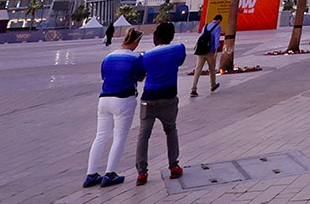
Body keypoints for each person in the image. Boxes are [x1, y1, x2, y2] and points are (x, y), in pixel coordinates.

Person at [83, 28, 144, 188]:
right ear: (136, 42)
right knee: (119, 137)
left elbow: (104, 76)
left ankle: (91, 174)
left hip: (104, 99)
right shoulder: (136, 57)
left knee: (100, 136)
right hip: (124, 99)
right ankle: (110, 174)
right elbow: (140, 76)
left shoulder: (108, 57)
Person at [134, 21, 186, 187]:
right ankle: (174, 166)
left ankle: (142, 172)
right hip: (169, 97)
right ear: (171, 36)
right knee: (171, 130)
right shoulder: (179, 49)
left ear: (156, 37)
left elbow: (140, 76)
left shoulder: (145, 56)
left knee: (144, 134)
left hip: (148, 98)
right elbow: (180, 62)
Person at [190, 14, 221, 96]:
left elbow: (201, 37)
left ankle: (193, 89)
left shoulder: (206, 26)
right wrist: (216, 50)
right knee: (212, 68)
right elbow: (217, 38)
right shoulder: (218, 27)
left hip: (201, 51)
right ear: (219, 20)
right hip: (209, 52)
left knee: (198, 69)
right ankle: (213, 85)